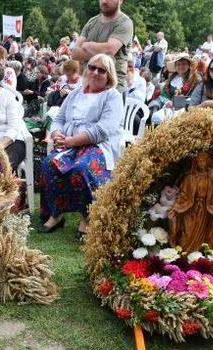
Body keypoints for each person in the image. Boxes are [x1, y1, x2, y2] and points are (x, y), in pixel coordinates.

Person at [40, 54, 124, 238]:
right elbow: (59, 119)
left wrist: (71, 140)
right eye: (92, 67)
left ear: (109, 76)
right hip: (70, 144)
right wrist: (56, 134)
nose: (95, 72)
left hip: (98, 145)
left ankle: (88, 216)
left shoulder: (112, 96)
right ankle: (57, 212)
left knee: (81, 168)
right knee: (49, 163)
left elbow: (103, 130)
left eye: (101, 70)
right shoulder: (77, 92)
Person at [168, 153, 213, 252]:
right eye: (199, 161)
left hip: (204, 210)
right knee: (187, 232)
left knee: (203, 236)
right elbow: (183, 195)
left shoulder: (211, 179)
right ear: (195, 163)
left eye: (203, 161)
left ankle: (200, 255)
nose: (201, 163)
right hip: (190, 209)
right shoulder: (189, 178)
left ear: (207, 162)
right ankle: (184, 255)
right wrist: (176, 208)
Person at [71, 0, 133, 93]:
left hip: (112, 88)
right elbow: (75, 53)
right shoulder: (92, 22)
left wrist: (88, 45)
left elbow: (110, 50)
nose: (104, 1)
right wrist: (101, 50)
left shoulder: (124, 23)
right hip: (88, 86)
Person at [150, 53, 201, 124]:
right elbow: (163, 94)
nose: (181, 66)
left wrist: (177, 102)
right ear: (175, 66)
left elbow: (195, 97)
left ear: (189, 65)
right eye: (178, 64)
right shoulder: (172, 78)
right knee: (156, 116)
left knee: (173, 120)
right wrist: (167, 102)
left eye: (184, 64)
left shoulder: (195, 79)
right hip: (170, 107)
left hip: (186, 108)